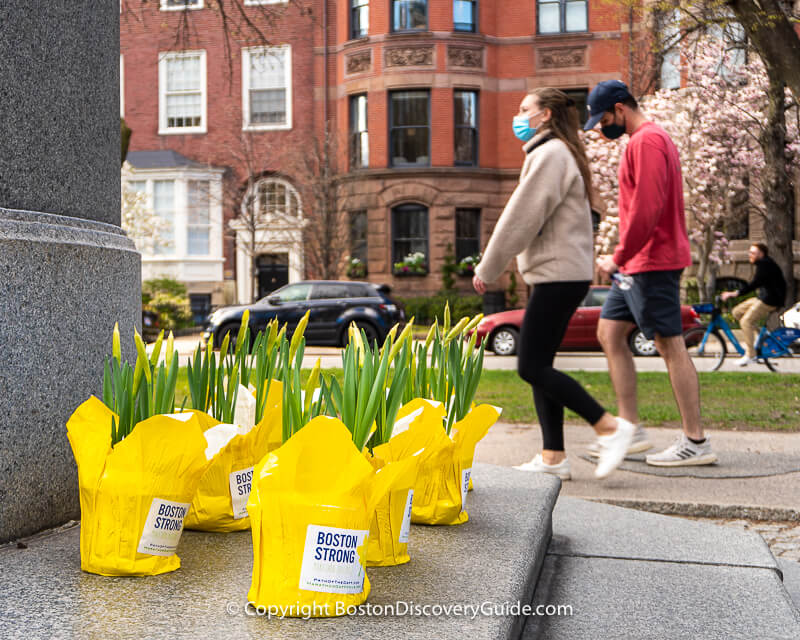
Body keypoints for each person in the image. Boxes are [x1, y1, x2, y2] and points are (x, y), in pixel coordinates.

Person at [473, 88, 635, 480]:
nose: (518, 114)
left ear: (545, 115)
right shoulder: (557, 153)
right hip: (559, 274)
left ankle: (609, 426)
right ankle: (552, 457)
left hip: (558, 276)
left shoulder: (549, 155)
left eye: (524, 108)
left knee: (529, 366)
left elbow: (521, 217)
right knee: (541, 364)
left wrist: (488, 267)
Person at [585, 79, 716, 467]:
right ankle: (631, 429)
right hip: (637, 264)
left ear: (621, 108)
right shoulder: (642, 141)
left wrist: (618, 255)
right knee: (609, 332)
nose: (602, 126)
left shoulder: (648, 141)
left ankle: (696, 441)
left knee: (670, 344)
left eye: (605, 117)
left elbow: (648, 207)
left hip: (651, 261)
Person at [721, 242, 787, 366]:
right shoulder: (764, 264)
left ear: (761, 254)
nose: (749, 255)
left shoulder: (765, 265)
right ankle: (759, 339)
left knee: (746, 322)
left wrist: (735, 293)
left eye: (753, 252)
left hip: (770, 300)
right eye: (749, 252)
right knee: (737, 312)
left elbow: (754, 284)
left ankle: (750, 355)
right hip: (763, 297)